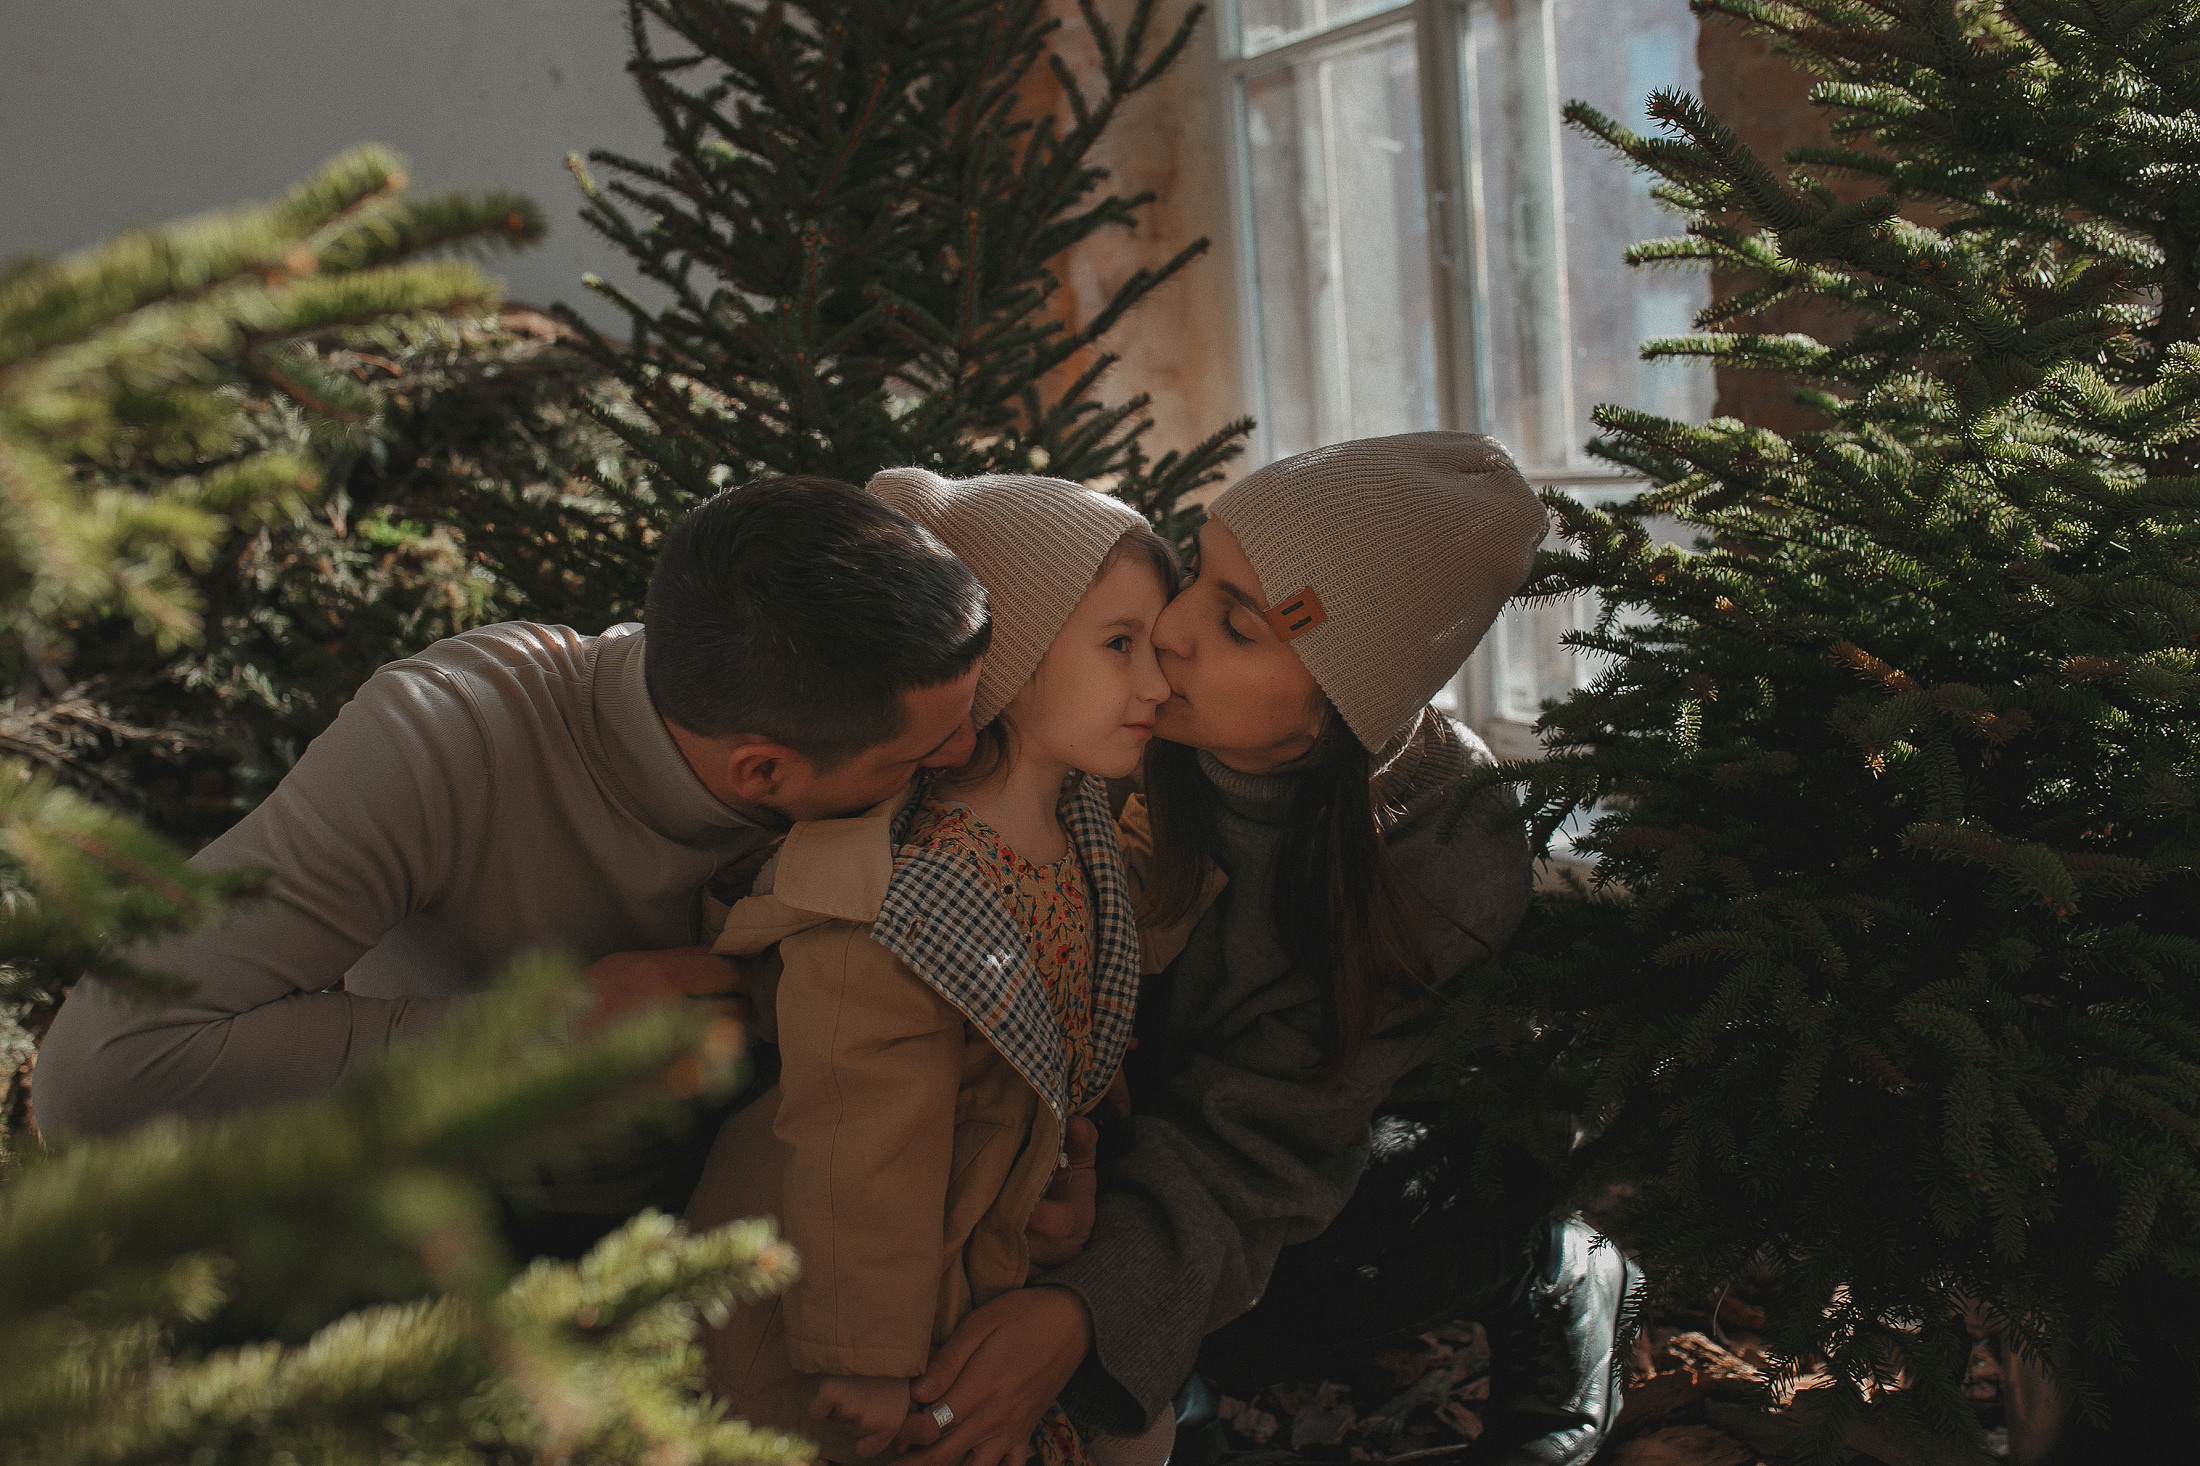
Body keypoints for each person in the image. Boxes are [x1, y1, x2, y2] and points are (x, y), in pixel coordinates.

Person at [889, 432, 1636, 1466]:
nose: (1172, 626)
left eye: (1237, 623)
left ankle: (1551, 1267)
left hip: (1374, 1140)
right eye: (1196, 570)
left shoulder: (1439, 846)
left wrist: (1081, 1312)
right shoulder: (1117, 716)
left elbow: (1272, 1134)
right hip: (1152, 1110)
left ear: (1336, 711)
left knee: (1309, 1282)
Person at [31, 477, 991, 1247]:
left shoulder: (880, 734)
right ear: (763, 769)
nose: (967, 758)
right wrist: (536, 1037)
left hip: (761, 1224)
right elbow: (100, 1073)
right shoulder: (446, 740)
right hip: (429, 1242)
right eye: (921, 755)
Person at [683, 470, 1173, 1466]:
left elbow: (1064, 1027)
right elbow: (857, 1139)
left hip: (976, 1259)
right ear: (1013, 657)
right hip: (838, 1295)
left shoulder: (1082, 827)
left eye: (1156, 648)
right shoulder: (895, 890)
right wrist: (862, 1350)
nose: (1156, 682)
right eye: (1120, 645)